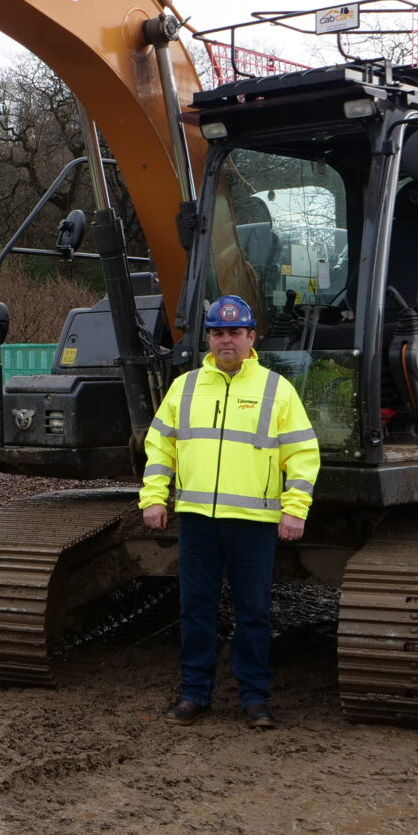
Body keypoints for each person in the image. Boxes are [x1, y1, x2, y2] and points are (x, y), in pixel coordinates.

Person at [139, 294, 319, 730]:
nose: (226, 341)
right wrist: (153, 497)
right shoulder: (184, 388)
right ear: (209, 339)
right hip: (198, 518)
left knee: (253, 612)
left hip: (253, 523)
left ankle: (254, 698)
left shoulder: (276, 389)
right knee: (196, 610)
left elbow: (302, 454)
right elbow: (160, 446)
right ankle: (195, 694)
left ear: (251, 338)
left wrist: (295, 510)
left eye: (235, 333)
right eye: (218, 333)